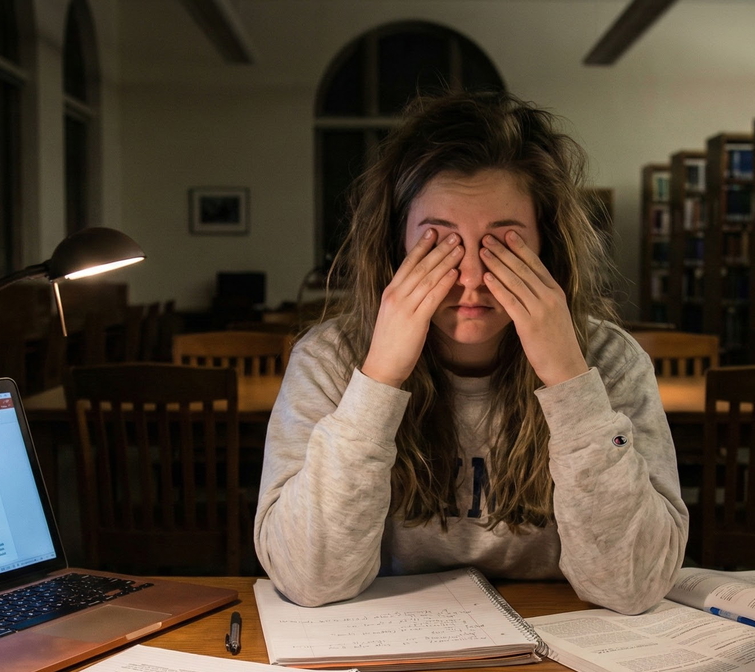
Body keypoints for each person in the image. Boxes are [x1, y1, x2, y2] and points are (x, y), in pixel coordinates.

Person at [255, 91, 688, 615]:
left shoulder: (612, 361)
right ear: (396, 246)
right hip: (392, 638)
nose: (472, 277)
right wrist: (379, 379)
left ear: (545, 247)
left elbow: (634, 586)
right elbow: (309, 580)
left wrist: (570, 382)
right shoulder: (327, 361)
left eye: (503, 244)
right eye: (439, 244)